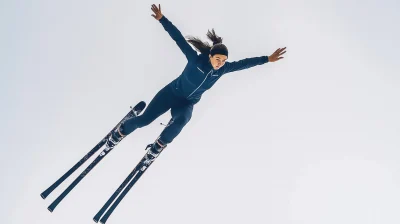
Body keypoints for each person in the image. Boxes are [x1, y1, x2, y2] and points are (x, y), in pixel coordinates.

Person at [105, 4, 286, 156]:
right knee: (144, 121)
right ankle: (120, 131)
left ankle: (158, 146)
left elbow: (245, 63)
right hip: (170, 94)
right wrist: (162, 19)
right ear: (210, 56)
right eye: (218, 59)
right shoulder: (195, 59)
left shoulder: (223, 70)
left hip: (187, 102)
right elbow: (178, 39)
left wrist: (267, 59)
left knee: (182, 120)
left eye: (223, 61)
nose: (220, 63)